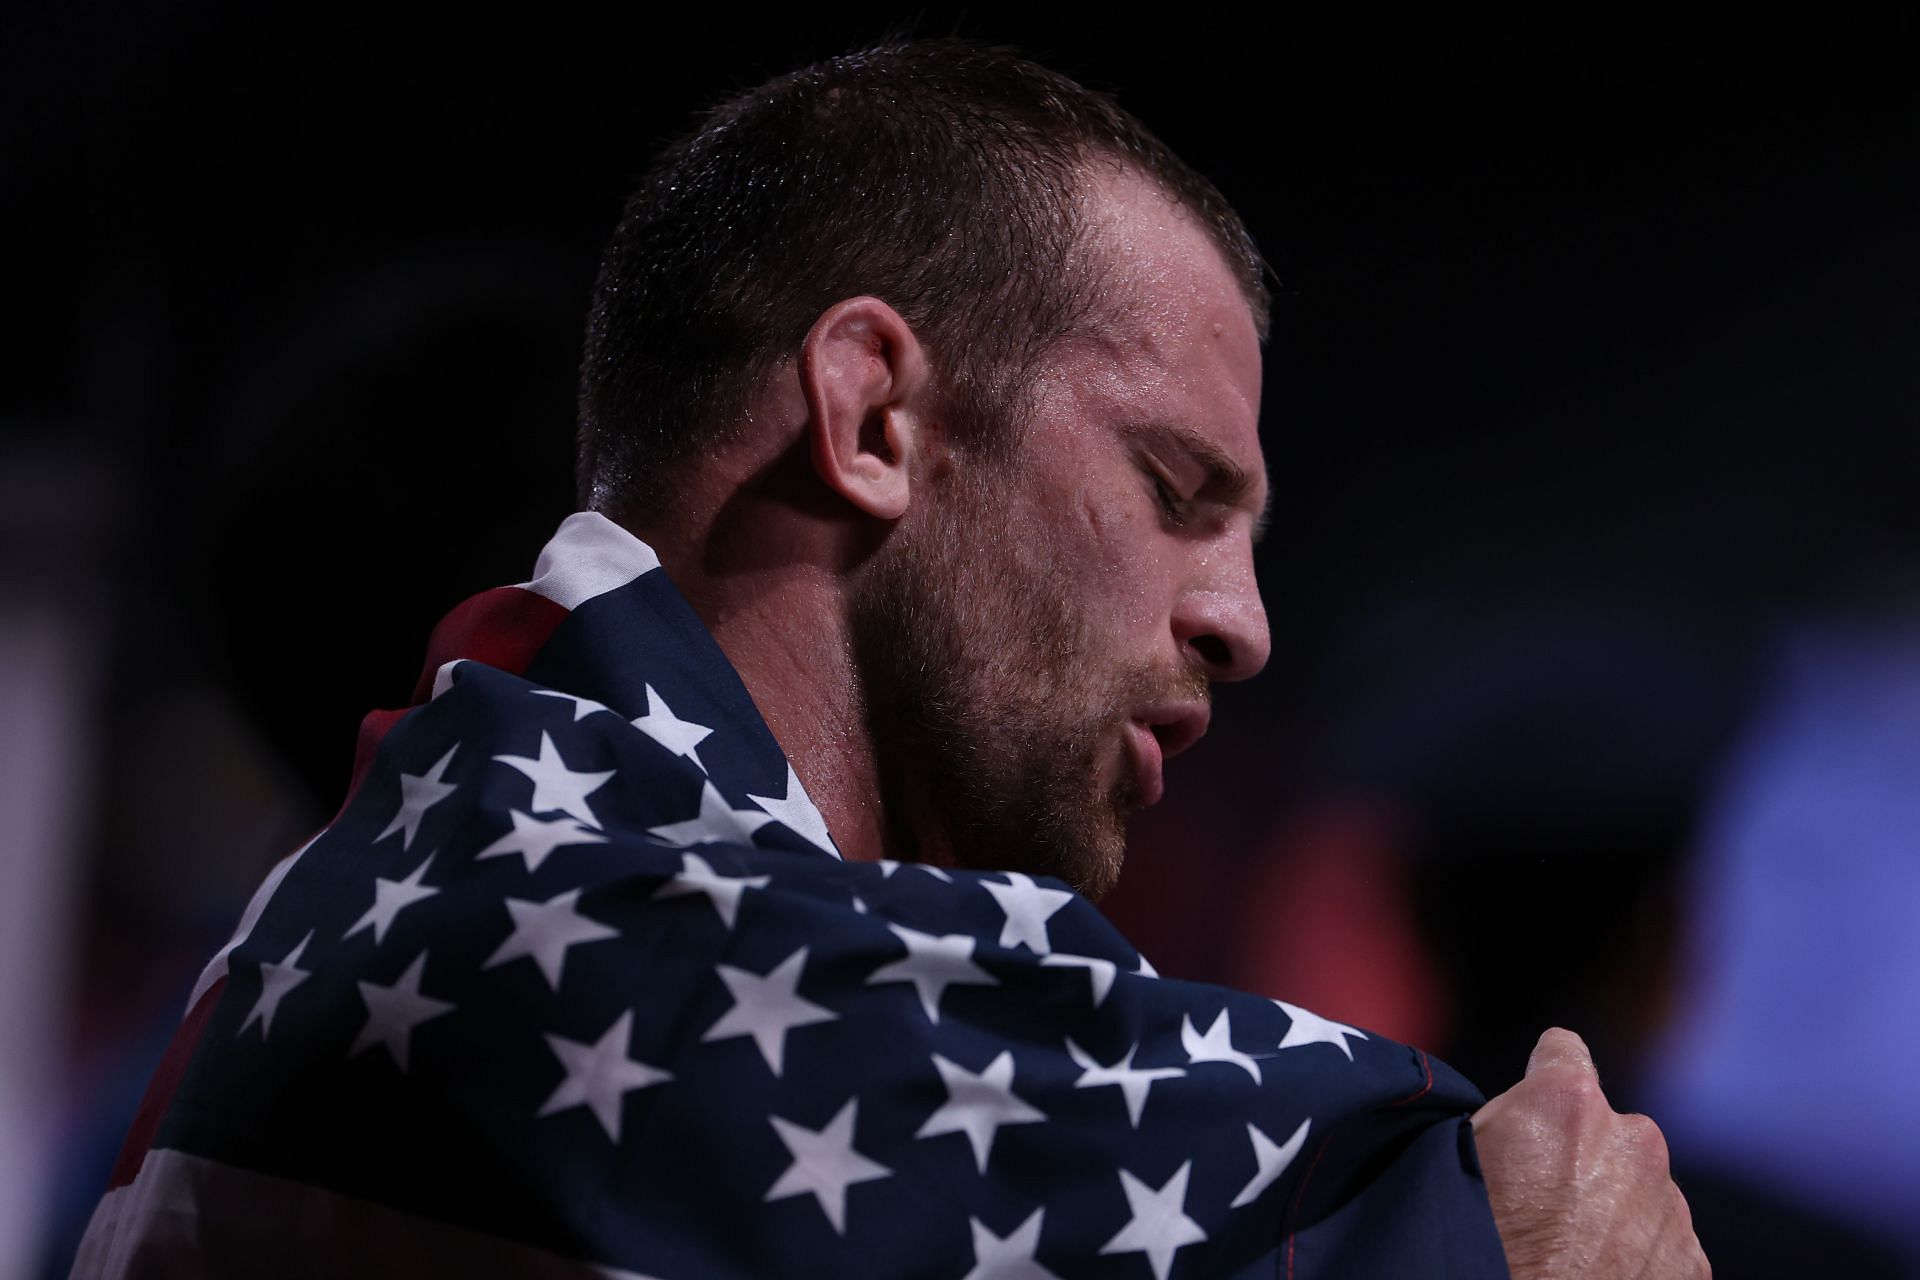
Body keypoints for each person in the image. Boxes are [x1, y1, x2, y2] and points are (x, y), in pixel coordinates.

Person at [74, 40, 1705, 1278]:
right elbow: (1500, 1209)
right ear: (870, 416)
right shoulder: (556, 920)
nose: (1242, 620)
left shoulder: (477, 860)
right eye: (1172, 491)